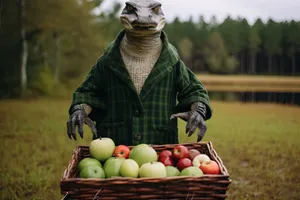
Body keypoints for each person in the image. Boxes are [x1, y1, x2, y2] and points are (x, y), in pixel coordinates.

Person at [66, 0, 212, 146]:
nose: (142, 18)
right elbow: (87, 93)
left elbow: (194, 90)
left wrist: (198, 110)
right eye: (131, 9)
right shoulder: (107, 61)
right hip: (113, 148)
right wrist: (80, 110)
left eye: (155, 10)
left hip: (160, 150)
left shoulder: (172, 63)